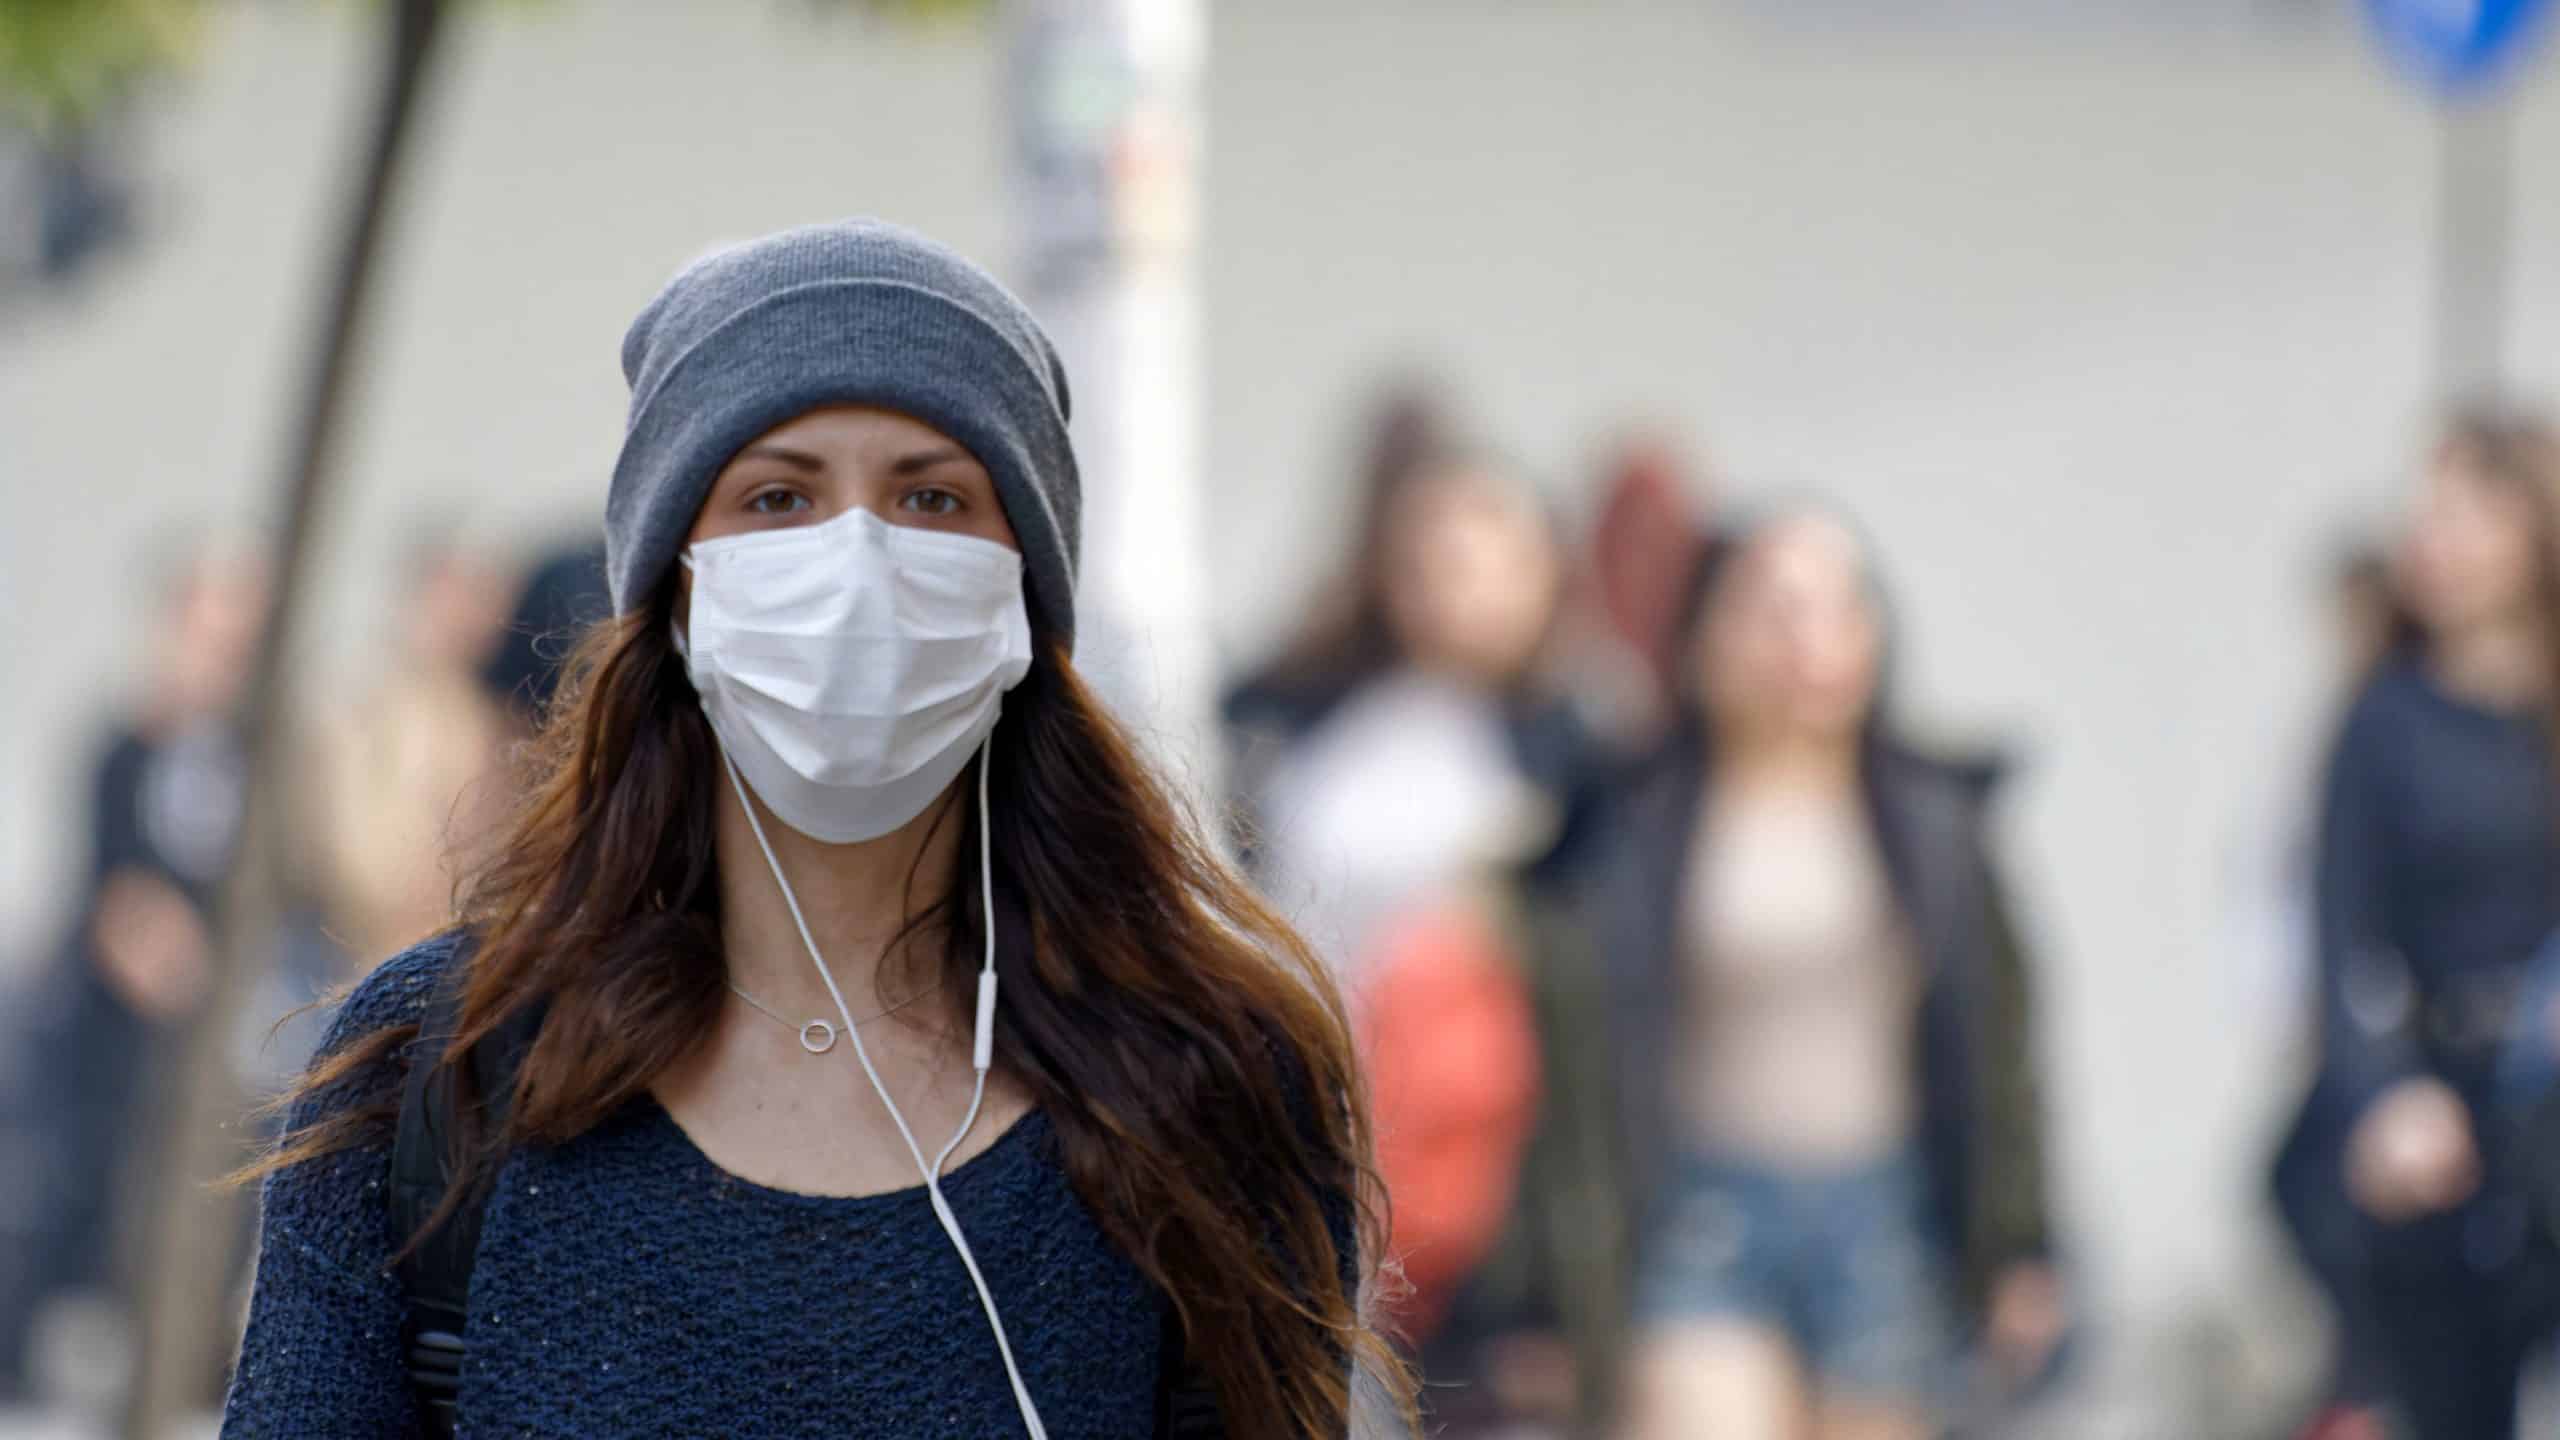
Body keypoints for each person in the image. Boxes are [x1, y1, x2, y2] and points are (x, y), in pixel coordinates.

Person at [220, 220, 1409, 1439]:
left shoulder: (1204, 1082)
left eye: (933, 495)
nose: (856, 562)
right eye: (778, 497)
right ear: (676, 589)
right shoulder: (439, 1076)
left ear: (1022, 592)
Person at [1593, 508, 2063, 1440]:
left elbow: (2001, 1049)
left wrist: (2020, 1239)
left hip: (1883, 1214)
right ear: (1705, 637)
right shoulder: (1636, 822)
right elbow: (1577, 1055)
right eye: (1773, 611)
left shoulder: (1935, 819)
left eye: (1837, 609)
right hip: (1701, 1209)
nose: (1806, 642)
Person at [2307, 407, 2560, 1440]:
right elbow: (2341, 929)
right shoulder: (2385, 721)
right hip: (2447, 1110)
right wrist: (2385, 1091)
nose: (2433, 540)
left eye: (2463, 514)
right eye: (2424, 518)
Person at [0, 535, 266, 1396]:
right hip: (111, 1020)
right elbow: (116, 898)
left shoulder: (250, 757)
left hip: (212, 1016)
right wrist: (171, 968)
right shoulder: (124, 747)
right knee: (83, 1183)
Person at [1223, 395, 1592, 989]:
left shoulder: (1572, 745)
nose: (1455, 591)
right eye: (1429, 563)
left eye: (1482, 565)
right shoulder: (1294, 706)